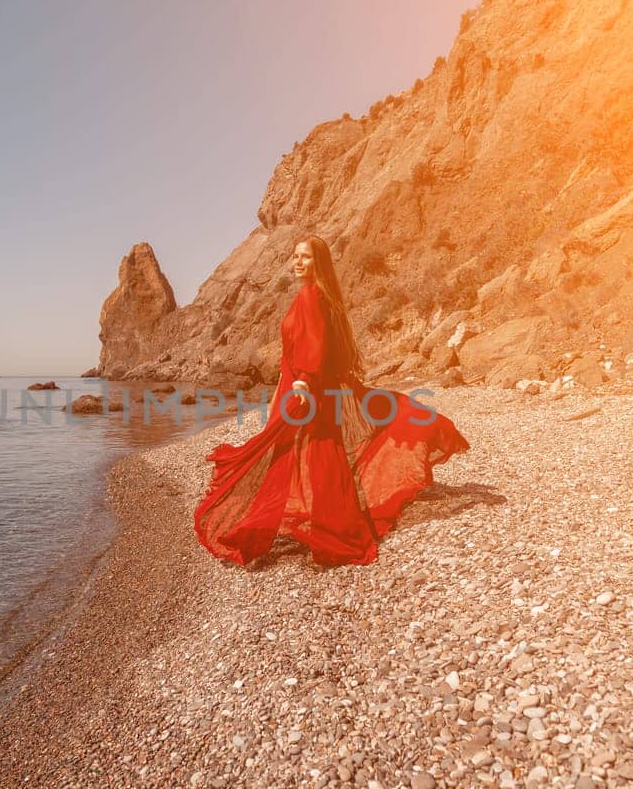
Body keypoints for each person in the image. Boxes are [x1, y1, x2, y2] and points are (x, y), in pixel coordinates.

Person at [193, 235, 470, 567]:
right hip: (296, 389)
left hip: (307, 392)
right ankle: (289, 528)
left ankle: (329, 536)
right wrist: (280, 392)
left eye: (306, 257)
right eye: (295, 256)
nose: (298, 262)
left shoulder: (314, 297)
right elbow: (294, 353)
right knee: (298, 457)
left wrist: (302, 383)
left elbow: (316, 347)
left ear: (318, 263)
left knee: (314, 457)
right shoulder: (307, 296)